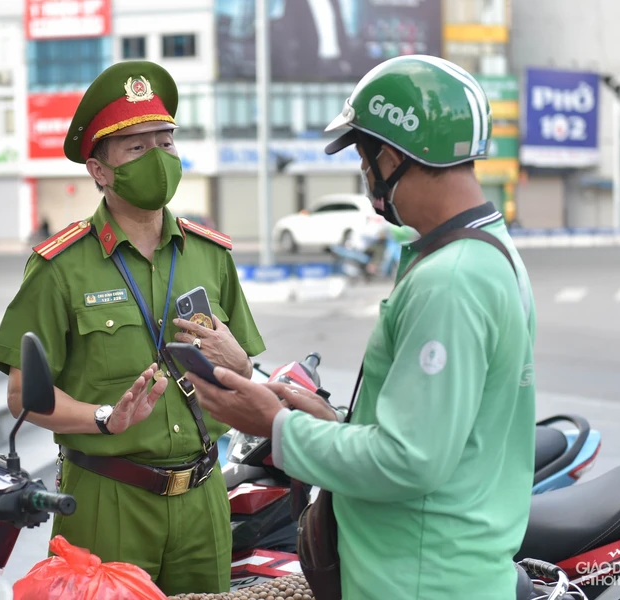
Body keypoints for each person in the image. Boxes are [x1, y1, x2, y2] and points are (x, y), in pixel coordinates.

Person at [186, 55, 537, 600]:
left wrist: (275, 426)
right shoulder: (488, 252)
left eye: (365, 157)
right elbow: (442, 428)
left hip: (418, 580)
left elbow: (410, 461)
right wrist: (331, 420)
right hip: (439, 568)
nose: (366, 174)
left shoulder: (452, 280)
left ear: (394, 156)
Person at [0, 60, 265, 596]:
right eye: (137, 148)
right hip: (107, 501)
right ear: (99, 171)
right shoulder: (60, 267)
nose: (158, 159)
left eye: (166, 142)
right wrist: (105, 417)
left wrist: (241, 363)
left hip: (204, 498)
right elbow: (23, 395)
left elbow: (243, 373)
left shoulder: (211, 255)